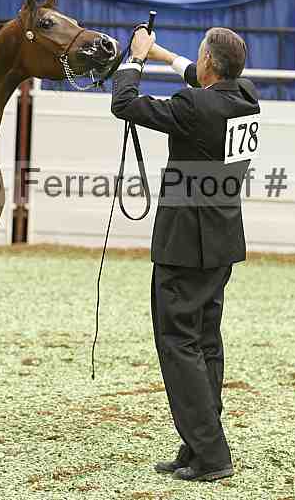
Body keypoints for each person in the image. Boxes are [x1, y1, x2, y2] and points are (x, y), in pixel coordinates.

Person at [111, 25, 259, 483]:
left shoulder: (195, 106)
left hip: (185, 243)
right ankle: (198, 444)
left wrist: (135, 59)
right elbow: (199, 78)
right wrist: (160, 53)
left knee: (178, 343)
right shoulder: (245, 97)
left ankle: (211, 453)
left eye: (200, 57)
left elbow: (125, 104)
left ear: (211, 62)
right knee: (205, 342)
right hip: (221, 238)